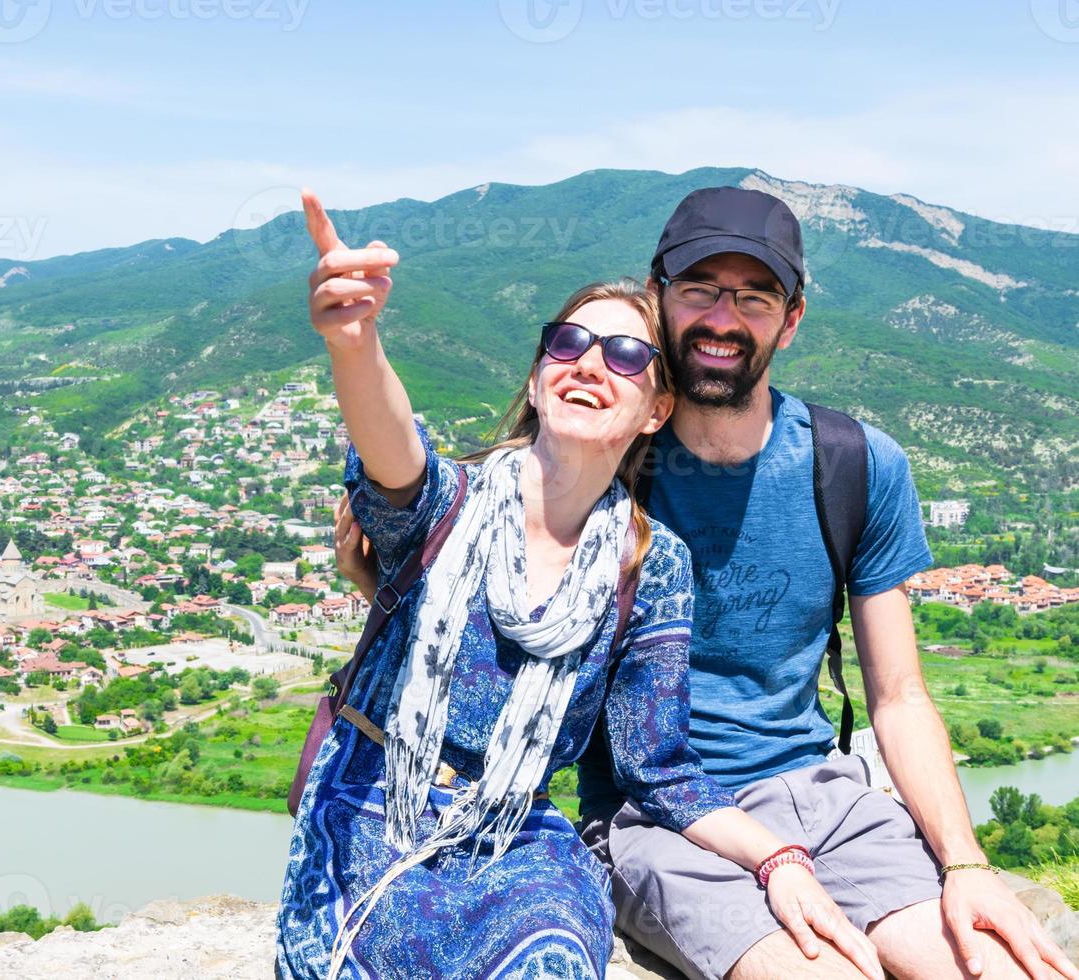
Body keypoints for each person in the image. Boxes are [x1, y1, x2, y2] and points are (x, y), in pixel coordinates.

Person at [333, 186, 1079, 980]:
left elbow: (899, 696)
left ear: (790, 320)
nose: (723, 319)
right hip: (658, 819)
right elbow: (452, 521)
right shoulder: (607, 465)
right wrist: (356, 357)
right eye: (699, 292)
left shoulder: (855, 465)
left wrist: (965, 866)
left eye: (754, 298)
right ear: (660, 301)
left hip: (828, 796)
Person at [276, 191, 883, 980]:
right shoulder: (448, 505)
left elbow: (656, 765)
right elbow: (394, 455)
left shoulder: (649, 563)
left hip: (510, 833)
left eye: (628, 356)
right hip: (368, 809)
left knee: (555, 957)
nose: (593, 364)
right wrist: (356, 342)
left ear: (656, 408)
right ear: (535, 381)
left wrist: (781, 860)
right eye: (569, 344)